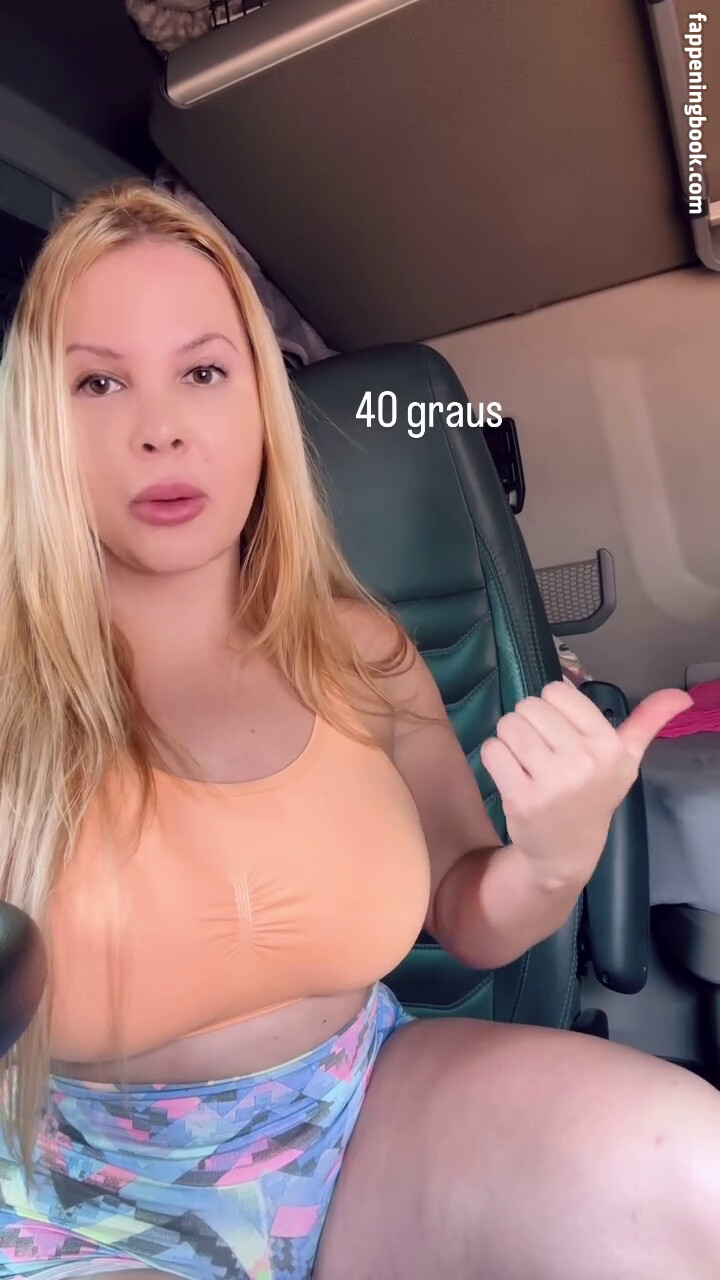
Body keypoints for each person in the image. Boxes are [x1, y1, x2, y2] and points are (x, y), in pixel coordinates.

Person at [0, 179, 717, 1280]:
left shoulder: (360, 644)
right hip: (81, 1187)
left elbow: (470, 912)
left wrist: (552, 856)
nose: (162, 428)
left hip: (354, 1112)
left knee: (693, 1171)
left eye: (204, 372)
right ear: (38, 424)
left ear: (260, 404)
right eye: (99, 381)